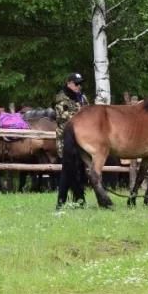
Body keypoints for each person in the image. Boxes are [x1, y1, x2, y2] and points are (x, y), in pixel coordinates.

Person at [54, 72, 89, 208]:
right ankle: (62, 201)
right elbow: (62, 116)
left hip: (82, 140)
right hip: (66, 140)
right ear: (69, 83)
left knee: (78, 170)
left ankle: (78, 199)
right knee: (68, 170)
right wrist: (82, 115)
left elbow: (90, 112)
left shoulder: (82, 98)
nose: (79, 86)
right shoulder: (61, 98)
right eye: (76, 84)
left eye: (80, 84)